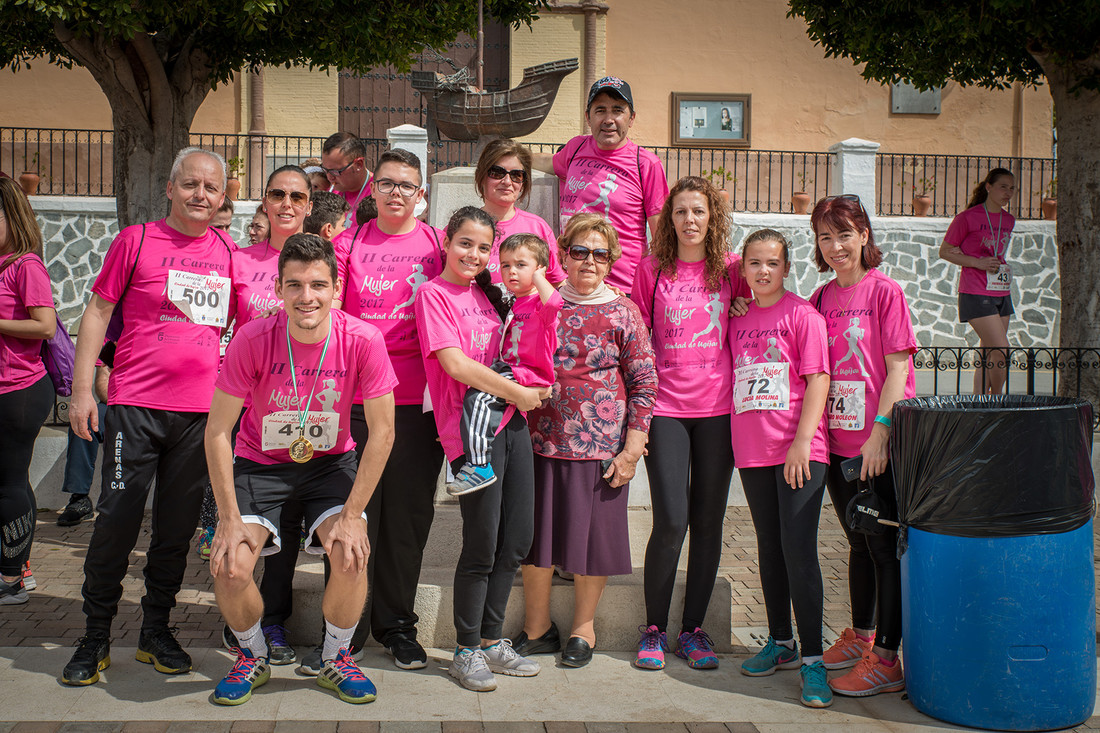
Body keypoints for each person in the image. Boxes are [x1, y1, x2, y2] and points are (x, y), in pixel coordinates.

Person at [62, 147, 234, 685]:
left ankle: (156, 630)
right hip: (134, 407)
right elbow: (97, 312)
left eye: (210, 187)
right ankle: (95, 634)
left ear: (222, 197)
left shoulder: (229, 253)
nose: (200, 194)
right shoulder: (134, 241)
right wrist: (82, 390)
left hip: (199, 416)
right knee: (116, 520)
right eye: (190, 184)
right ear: (169, 188)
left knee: (176, 530)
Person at [206, 233, 396, 706]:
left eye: (318, 285)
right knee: (230, 564)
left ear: (336, 288)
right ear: (278, 288)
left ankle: (336, 657)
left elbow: (383, 432)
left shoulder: (364, 339)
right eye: (294, 285)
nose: (306, 297)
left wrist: (352, 516)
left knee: (349, 553)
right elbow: (217, 431)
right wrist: (226, 518)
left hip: (329, 464)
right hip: (260, 462)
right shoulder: (252, 338)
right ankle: (252, 655)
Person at [414, 207, 548, 691]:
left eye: (483, 247)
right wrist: (519, 393)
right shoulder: (433, 294)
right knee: (482, 543)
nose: (473, 254)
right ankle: (466, 648)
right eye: (464, 243)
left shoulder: (488, 294)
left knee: (516, 541)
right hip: (471, 435)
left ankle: (492, 640)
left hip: (513, 426)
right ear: (447, 243)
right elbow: (454, 364)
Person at [518, 213, 657, 668]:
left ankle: (583, 629)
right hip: (537, 440)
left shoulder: (623, 311)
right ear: (564, 255)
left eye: (600, 253)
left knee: (591, 542)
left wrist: (633, 449)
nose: (589, 261)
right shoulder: (543, 303)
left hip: (599, 445)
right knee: (536, 540)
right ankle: (536, 628)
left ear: (611, 260)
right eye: (579, 251)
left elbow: (644, 382)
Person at [629, 176, 750, 670]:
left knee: (707, 522)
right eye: (680, 211)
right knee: (671, 521)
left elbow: (757, 313)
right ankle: (654, 629)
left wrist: (744, 306)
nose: (689, 220)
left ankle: (693, 631)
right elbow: (637, 338)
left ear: (712, 216)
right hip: (667, 411)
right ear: (669, 219)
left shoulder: (733, 269)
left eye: (698, 211)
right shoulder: (651, 269)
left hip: (719, 411)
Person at [333, 148, 444, 671]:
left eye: (407, 185)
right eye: (387, 183)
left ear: (421, 194)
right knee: (353, 517)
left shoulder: (438, 245)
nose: (396, 192)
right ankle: (345, 628)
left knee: (407, 520)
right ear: (372, 188)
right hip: (356, 402)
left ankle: (397, 626)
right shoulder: (347, 244)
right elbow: (331, 314)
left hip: (418, 403)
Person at [202, 165, 315, 666]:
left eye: (297, 196)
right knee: (245, 523)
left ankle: (274, 622)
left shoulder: (327, 259)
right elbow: (210, 330)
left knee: (288, 528)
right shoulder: (239, 260)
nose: (287, 204)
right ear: (264, 202)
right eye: (277, 194)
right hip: (246, 417)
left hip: (305, 413)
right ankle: (241, 623)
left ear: (309, 204)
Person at [810, 194, 916, 698]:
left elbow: (898, 369)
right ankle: (862, 636)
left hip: (876, 444)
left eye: (844, 235)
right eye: (825, 237)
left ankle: (888, 659)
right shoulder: (820, 298)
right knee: (857, 541)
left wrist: (881, 432)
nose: (835, 246)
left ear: (864, 235)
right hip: (836, 444)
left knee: (883, 549)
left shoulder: (884, 292)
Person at [730, 229, 832, 709]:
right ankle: (781, 642)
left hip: (799, 451)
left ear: (787, 268)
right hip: (753, 450)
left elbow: (818, 380)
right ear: (743, 268)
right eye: (754, 263)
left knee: (799, 550)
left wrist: (802, 443)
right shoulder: (737, 316)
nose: (763, 271)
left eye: (772, 262)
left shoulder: (803, 316)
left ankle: (813, 660)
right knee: (769, 548)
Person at [446, 233, 562, 496]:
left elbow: (556, 302)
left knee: (479, 398)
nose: (511, 271)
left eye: (521, 265)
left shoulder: (540, 304)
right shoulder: (517, 303)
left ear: (539, 269)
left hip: (528, 373)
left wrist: (539, 277)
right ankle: (477, 461)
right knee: (478, 398)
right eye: (506, 265)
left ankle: (479, 465)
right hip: (510, 370)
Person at [532, 76, 669, 293]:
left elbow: (662, 237)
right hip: (572, 285)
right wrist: (510, 154)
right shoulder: (576, 148)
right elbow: (548, 162)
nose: (608, 119)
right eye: (600, 110)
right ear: (588, 117)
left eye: (617, 110)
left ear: (631, 118)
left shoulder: (645, 164)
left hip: (622, 288)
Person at [0, 177, 57, 605]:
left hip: (19, 390)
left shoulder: (25, 265)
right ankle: (19, 566)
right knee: (12, 479)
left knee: (8, 483)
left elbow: (45, 325)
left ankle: (12, 578)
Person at [938, 168, 1016, 395]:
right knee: (1001, 350)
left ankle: (980, 402)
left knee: (988, 352)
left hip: (1001, 290)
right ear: (988, 187)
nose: (1008, 192)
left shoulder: (1009, 220)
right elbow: (945, 251)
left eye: (1012, 188)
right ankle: (997, 400)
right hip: (975, 291)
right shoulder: (967, 218)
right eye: (1003, 187)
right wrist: (976, 262)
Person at [474, 139, 565, 288]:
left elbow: (558, 283)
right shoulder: (463, 226)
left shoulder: (538, 228)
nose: (507, 181)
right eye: (497, 173)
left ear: (523, 183)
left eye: (516, 175)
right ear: (482, 176)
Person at [57, 362, 110, 526]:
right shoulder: (111, 346)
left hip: (153, 408)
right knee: (84, 422)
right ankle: (79, 498)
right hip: (115, 404)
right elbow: (102, 387)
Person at [322, 133, 372, 227]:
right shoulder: (331, 192)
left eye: (335, 171)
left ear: (359, 164)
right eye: (325, 170)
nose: (329, 177)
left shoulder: (377, 193)